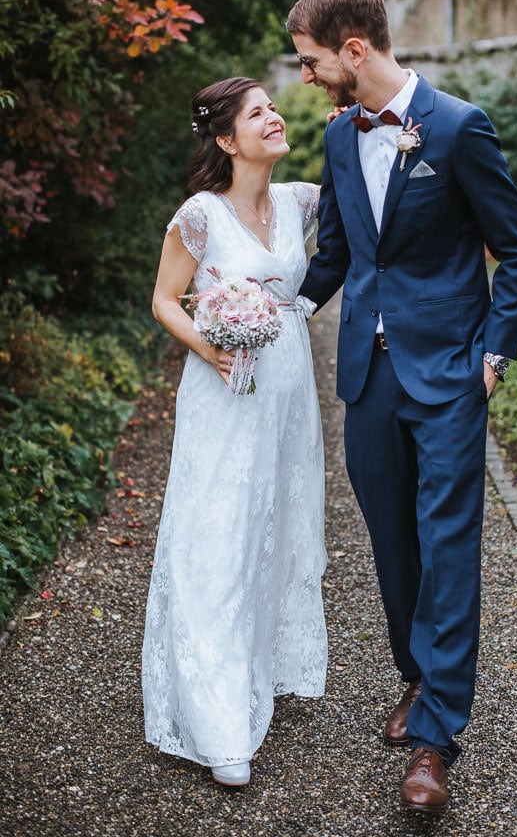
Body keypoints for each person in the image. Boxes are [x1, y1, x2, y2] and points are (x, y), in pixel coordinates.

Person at [286, 0, 517, 814]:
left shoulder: (459, 130)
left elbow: (516, 249)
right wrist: (265, 309)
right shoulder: (336, 138)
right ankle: (417, 677)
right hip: (368, 374)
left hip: (450, 377)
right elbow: (337, 260)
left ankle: (436, 736)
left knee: (447, 545)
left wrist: (493, 358)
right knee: (392, 545)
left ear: (355, 49)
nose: (309, 76)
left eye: (314, 61)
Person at [142, 77, 327, 788]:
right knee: (218, 534)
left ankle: (268, 662)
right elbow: (164, 300)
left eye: (274, 105)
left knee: (274, 526)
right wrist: (210, 346)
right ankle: (218, 720)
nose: (276, 117)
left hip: (288, 392)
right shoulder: (198, 215)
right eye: (259, 112)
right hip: (225, 390)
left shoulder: (297, 201)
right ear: (226, 139)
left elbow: (370, 185)